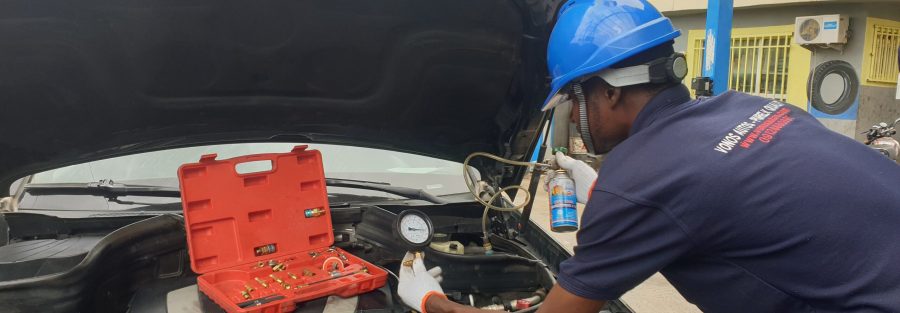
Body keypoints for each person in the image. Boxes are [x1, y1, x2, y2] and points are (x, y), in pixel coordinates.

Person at [397, 0, 900, 312]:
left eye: (574, 100)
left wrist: (433, 303)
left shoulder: (639, 180)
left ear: (609, 93)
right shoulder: (750, 105)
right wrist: (608, 193)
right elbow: (726, 197)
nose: (575, 116)